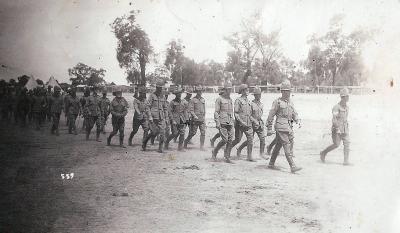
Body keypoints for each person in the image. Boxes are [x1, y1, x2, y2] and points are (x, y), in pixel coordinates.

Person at [266, 80, 302, 173]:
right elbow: (271, 115)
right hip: (280, 126)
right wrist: (269, 128)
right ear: (282, 91)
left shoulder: (290, 102)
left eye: (289, 91)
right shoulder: (277, 102)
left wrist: (297, 120)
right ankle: (292, 166)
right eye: (286, 91)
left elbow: (294, 113)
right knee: (286, 144)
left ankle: (271, 163)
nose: (288, 93)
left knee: (278, 145)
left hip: (288, 127)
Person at [320, 88, 350, 165]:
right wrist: (337, 129)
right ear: (342, 97)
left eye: (348, 96)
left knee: (347, 143)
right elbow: (334, 119)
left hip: (345, 129)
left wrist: (345, 128)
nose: (348, 98)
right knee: (336, 144)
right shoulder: (336, 107)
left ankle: (346, 161)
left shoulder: (347, 107)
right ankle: (323, 152)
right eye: (346, 96)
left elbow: (345, 119)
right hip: (337, 130)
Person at [236, 86, 265, 157]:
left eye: (260, 94)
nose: (259, 96)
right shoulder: (251, 104)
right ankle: (240, 148)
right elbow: (249, 115)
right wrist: (254, 121)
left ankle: (262, 154)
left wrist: (260, 122)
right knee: (250, 140)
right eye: (257, 95)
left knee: (262, 139)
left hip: (259, 124)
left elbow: (260, 115)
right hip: (252, 124)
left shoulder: (261, 104)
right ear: (254, 95)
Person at [230, 84, 255, 162]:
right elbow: (236, 113)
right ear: (242, 91)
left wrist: (254, 121)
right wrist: (241, 122)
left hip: (248, 124)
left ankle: (249, 156)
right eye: (246, 89)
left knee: (250, 140)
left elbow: (250, 114)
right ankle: (227, 150)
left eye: (247, 89)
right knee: (237, 140)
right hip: (240, 125)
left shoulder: (249, 101)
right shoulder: (238, 100)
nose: (247, 91)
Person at [212, 83, 234, 163]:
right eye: (228, 89)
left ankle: (227, 156)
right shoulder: (219, 99)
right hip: (222, 122)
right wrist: (217, 122)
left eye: (230, 89)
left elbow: (231, 111)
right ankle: (214, 152)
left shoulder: (230, 99)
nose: (230, 91)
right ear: (225, 90)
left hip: (230, 122)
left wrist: (233, 120)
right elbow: (216, 112)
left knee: (230, 140)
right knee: (224, 140)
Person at [142, 81, 167, 153]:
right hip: (153, 117)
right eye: (158, 88)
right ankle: (145, 142)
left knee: (162, 132)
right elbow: (147, 107)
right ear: (156, 88)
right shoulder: (152, 95)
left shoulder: (163, 96)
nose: (160, 89)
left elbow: (165, 108)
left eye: (161, 88)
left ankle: (160, 148)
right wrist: (150, 116)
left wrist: (166, 117)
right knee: (154, 132)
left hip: (161, 117)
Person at [165, 87, 187, 151]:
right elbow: (169, 112)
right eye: (178, 94)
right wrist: (172, 120)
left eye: (180, 94)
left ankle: (180, 147)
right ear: (176, 95)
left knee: (182, 133)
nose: (179, 95)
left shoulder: (183, 102)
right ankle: (166, 142)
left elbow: (185, 111)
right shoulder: (172, 102)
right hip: (174, 120)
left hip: (182, 120)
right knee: (174, 133)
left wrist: (186, 120)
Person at [184, 85, 206, 150]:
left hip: (201, 119)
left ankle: (201, 146)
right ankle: (186, 142)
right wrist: (194, 116)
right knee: (193, 133)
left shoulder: (203, 99)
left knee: (203, 133)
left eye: (201, 91)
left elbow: (204, 110)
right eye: (199, 91)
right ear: (197, 92)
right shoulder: (193, 100)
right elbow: (191, 110)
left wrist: (204, 118)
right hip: (195, 119)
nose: (200, 92)